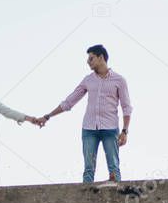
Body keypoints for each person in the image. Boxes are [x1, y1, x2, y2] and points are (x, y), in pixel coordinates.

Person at [37, 45, 132, 183]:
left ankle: (116, 197)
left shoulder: (119, 80)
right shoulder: (88, 80)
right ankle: (87, 199)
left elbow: (126, 107)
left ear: (101, 58)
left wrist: (124, 131)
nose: (88, 61)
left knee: (113, 167)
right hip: (89, 129)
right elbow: (69, 102)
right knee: (88, 169)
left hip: (110, 129)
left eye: (91, 58)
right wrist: (48, 116)